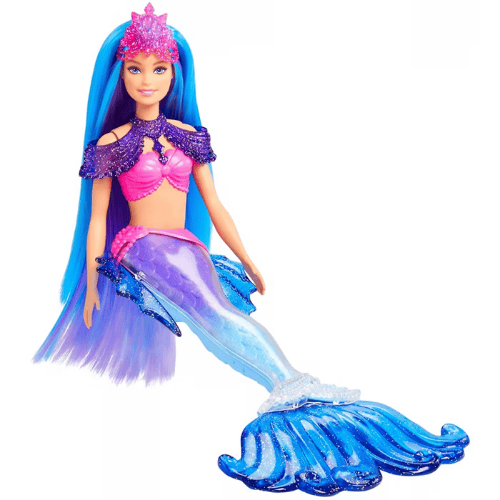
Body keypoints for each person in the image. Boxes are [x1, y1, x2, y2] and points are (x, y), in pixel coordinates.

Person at [32, 4, 469, 496]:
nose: (147, 80)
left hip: (184, 243)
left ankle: (287, 387)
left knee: (214, 316)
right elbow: (96, 220)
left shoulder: (189, 137)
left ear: (174, 74)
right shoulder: (113, 143)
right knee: (215, 312)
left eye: (158, 69)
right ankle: (292, 383)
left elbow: (215, 204)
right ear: (120, 75)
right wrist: (92, 282)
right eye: (135, 69)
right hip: (142, 245)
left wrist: (245, 256)